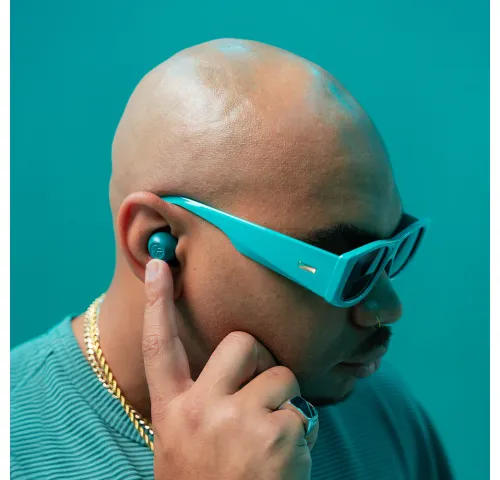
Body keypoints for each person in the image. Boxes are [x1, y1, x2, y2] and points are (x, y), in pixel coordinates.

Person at [10, 38, 454, 479]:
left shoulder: (380, 411)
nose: (387, 307)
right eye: (346, 265)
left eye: (395, 247)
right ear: (158, 244)